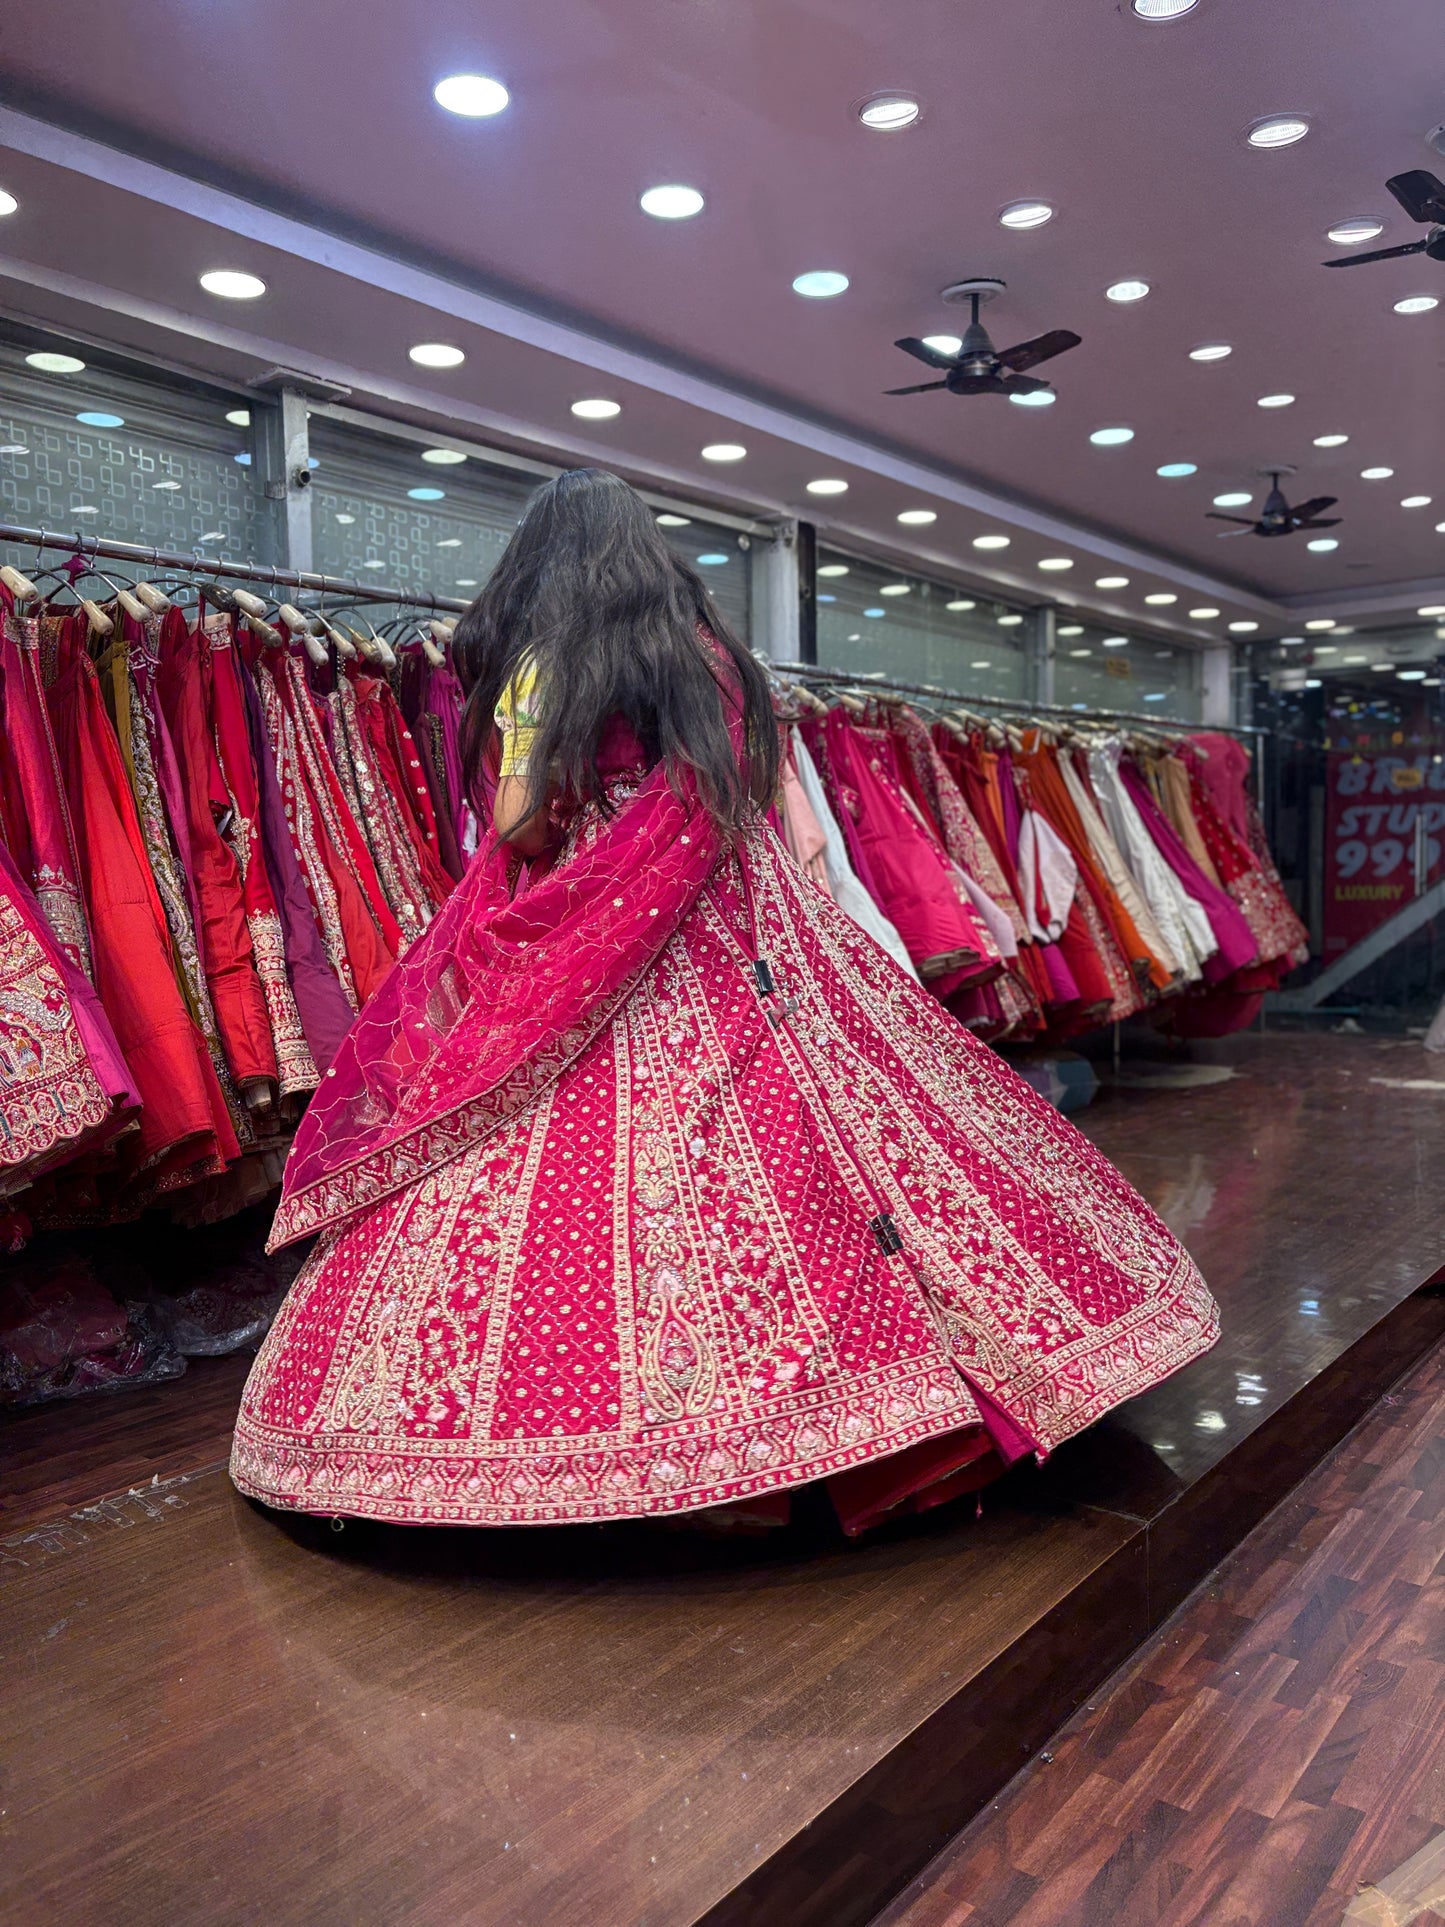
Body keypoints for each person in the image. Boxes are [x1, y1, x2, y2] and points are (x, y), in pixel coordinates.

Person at [231, 469, 1217, 1534]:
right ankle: (935, 1397)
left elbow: (521, 829)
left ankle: (686, 1441)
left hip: (604, 947)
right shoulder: (714, 662)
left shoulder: (542, 665)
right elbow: (743, 800)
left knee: (587, 1172)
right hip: (754, 933)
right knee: (848, 1146)